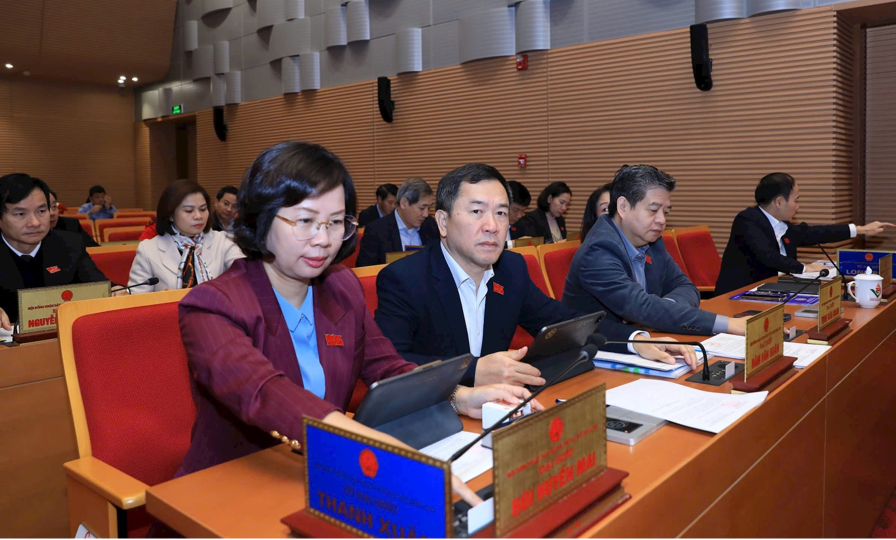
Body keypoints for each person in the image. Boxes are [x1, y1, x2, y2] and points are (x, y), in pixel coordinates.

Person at [174, 141, 538, 507]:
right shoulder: (212, 305)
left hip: (328, 472)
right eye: (304, 221)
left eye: (335, 222)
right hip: (235, 487)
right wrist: (382, 450)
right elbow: (264, 393)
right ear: (260, 219)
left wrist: (461, 397)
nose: (323, 239)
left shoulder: (340, 287)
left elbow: (389, 368)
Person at [375, 163, 698, 388]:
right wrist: (472, 370)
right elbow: (391, 367)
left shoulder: (511, 270)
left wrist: (634, 341)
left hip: (499, 412)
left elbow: (568, 323)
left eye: (501, 213)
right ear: (443, 223)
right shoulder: (404, 279)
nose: (492, 225)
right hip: (436, 418)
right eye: (476, 212)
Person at [562, 165, 746, 336]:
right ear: (623, 207)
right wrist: (729, 325)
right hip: (599, 349)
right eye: (653, 210)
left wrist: (663, 310)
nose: (662, 220)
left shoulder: (652, 242)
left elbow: (687, 287)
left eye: (665, 212)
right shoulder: (599, 250)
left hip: (647, 339)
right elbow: (640, 307)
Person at [715, 172, 895, 295]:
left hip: (776, 291)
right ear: (779, 202)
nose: (798, 206)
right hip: (740, 295)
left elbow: (815, 233)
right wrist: (804, 268)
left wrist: (860, 230)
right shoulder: (747, 220)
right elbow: (767, 256)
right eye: (796, 200)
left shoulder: (782, 224)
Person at [0, 174, 125, 330]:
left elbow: (99, 285)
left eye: (41, 211)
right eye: (20, 214)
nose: (35, 223)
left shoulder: (69, 244)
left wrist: (116, 291)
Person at [127, 180, 244, 294]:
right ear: (171, 215)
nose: (198, 216)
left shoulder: (221, 241)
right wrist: (160, 300)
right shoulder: (148, 250)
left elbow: (246, 276)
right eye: (189, 211)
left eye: (203, 209)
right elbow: (138, 301)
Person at [355, 177, 440, 267]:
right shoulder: (376, 231)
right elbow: (365, 270)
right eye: (422, 208)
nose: (426, 214)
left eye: (429, 208)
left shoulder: (430, 224)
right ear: (404, 203)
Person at [506, 180, 531, 245]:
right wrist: (513, 244)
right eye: (516, 210)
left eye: (523, 211)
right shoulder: (489, 225)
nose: (519, 216)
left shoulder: (522, 224)